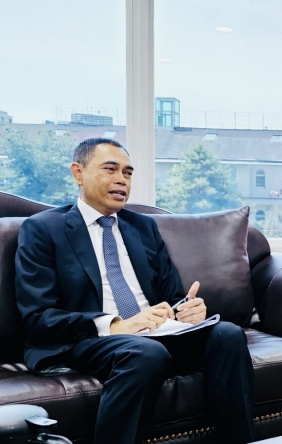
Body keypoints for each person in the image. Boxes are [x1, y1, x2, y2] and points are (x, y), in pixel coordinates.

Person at [15, 138, 255, 444]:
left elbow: (171, 296)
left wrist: (187, 310)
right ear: (78, 172)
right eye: (110, 169)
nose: (121, 180)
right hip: (88, 339)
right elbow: (37, 316)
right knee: (145, 352)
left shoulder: (142, 227)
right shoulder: (43, 229)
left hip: (153, 333)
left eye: (127, 173)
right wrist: (115, 324)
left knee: (228, 334)